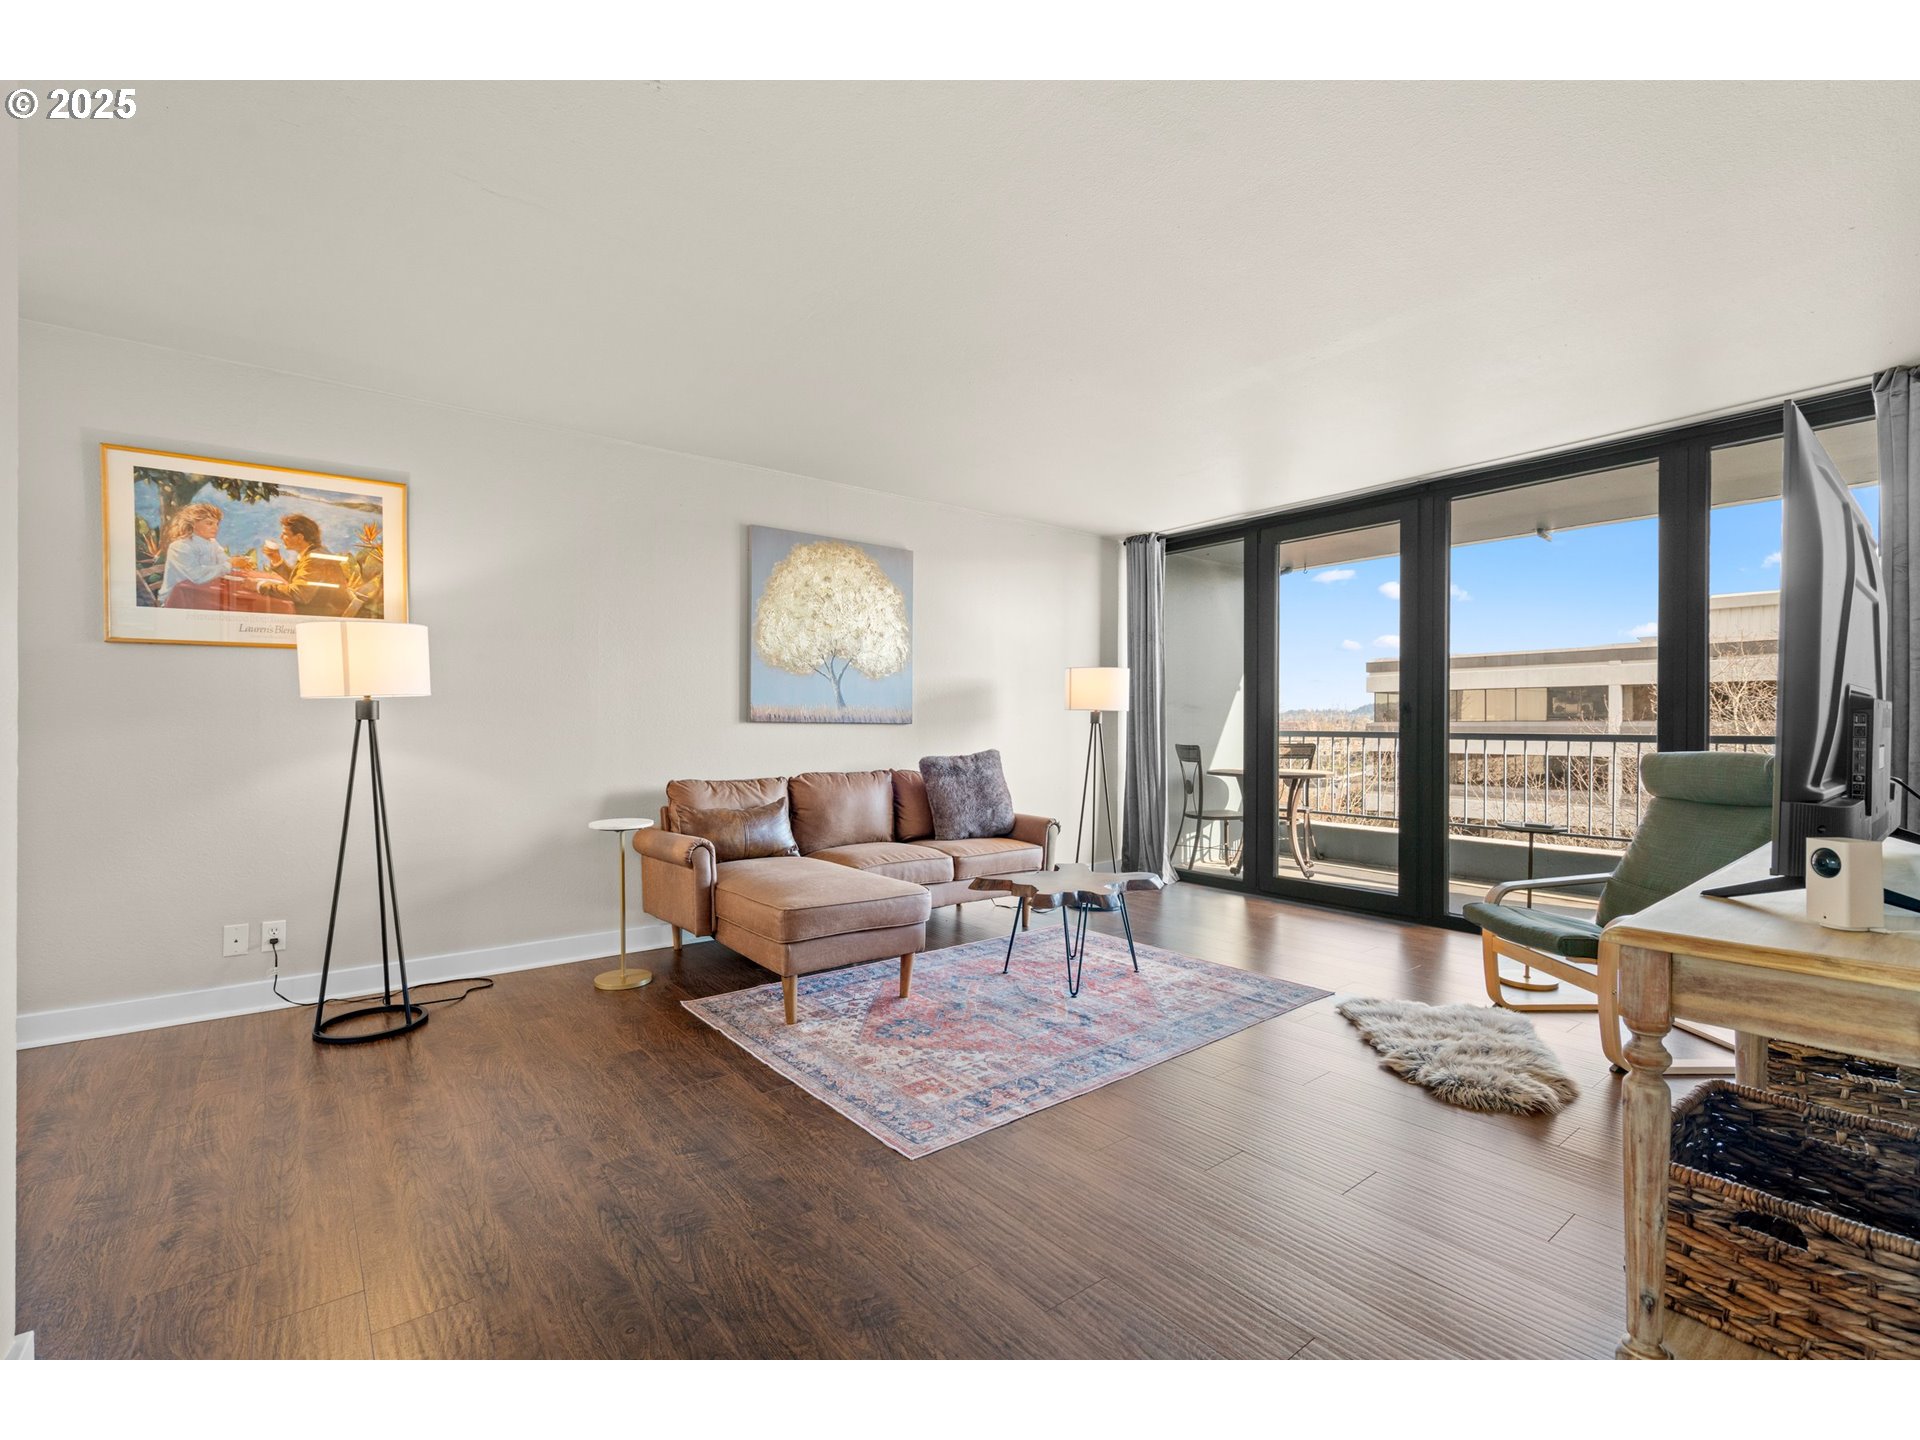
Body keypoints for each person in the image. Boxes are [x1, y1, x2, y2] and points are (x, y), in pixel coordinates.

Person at [253, 513, 354, 616]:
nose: (280, 537)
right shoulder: (314, 553)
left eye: (285, 534)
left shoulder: (314, 559)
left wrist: (259, 586)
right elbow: (301, 581)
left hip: (323, 616)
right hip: (322, 610)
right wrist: (277, 560)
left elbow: (299, 594)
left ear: (299, 537)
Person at [158, 502, 241, 606]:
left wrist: (234, 562)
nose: (216, 528)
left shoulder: (212, 543)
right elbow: (197, 575)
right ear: (193, 524)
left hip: (201, 593)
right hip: (177, 600)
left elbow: (224, 561)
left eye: (217, 524)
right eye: (209, 523)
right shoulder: (181, 546)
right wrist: (229, 565)